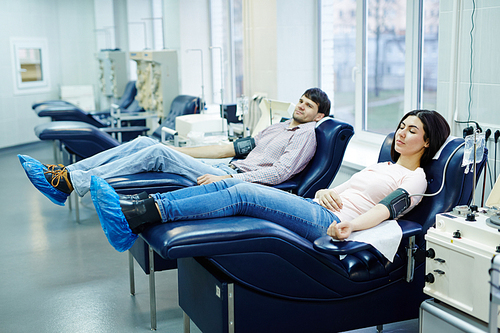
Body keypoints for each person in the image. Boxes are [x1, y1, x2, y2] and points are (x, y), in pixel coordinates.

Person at [89, 110, 451, 252]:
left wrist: (349, 225)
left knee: (244, 191)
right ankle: (136, 215)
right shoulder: (379, 166)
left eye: (412, 130)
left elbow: (385, 213)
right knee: (228, 186)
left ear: (428, 140)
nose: (401, 133)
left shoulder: (415, 179)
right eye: (401, 126)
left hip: (329, 224)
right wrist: (326, 190)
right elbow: (336, 190)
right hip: (315, 207)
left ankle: (140, 212)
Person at [19, 88, 331, 206]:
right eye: (301, 101)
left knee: (155, 151)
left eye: (309, 106)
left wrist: (230, 180)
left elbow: (280, 173)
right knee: (145, 142)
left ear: (320, 115)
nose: (302, 107)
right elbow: (232, 147)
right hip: (226, 168)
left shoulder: (306, 134)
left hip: (233, 180)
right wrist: (181, 152)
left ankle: (73, 182)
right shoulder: (277, 126)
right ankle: (66, 174)